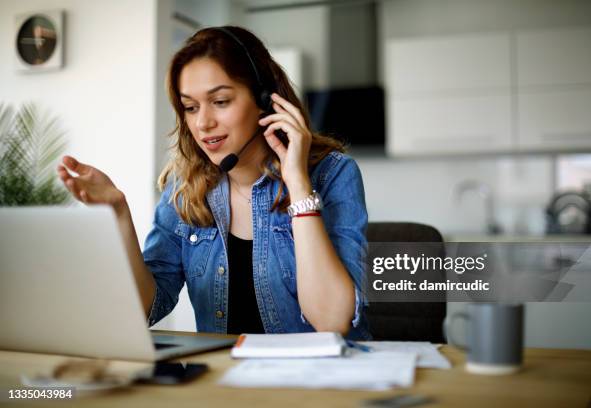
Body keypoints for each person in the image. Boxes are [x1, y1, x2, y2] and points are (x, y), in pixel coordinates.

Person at [57, 26, 370, 340]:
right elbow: (146, 309)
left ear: (265, 99)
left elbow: (333, 321)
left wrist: (298, 185)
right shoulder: (186, 185)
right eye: (190, 108)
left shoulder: (332, 174)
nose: (203, 123)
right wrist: (117, 213)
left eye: (220, 101)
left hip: (315, 382)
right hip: (222, 382)